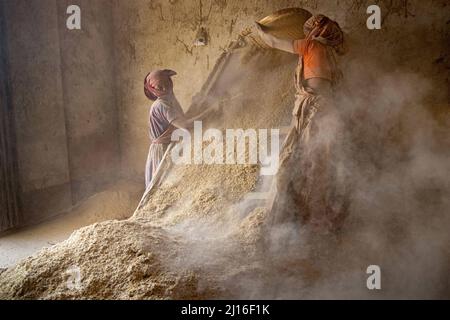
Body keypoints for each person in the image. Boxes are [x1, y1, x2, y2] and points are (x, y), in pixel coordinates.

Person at [256, 14, 350, 233]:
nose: (305, 33)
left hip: (314, 112)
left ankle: (306, 221)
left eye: (308, 29)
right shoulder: (333, 52)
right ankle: (316, 218)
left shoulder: (311, 45)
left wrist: (259, 31)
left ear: (315, 31)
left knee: (303, 163)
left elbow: (274, 42)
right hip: (328, 110)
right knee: (320, 165)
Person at [143, 69, 215, 190]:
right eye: (160, 87)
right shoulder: (162, 105)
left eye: (166, 83)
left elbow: (180, 117)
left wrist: (197, 103)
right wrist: (210, 111)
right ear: (154, 90)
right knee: (161, 186)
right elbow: (185, 125)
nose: (165, 88)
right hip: (162, 150)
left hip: (169, 145)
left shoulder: (169, 99)